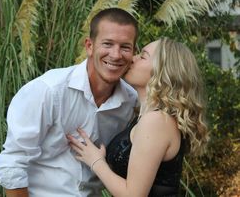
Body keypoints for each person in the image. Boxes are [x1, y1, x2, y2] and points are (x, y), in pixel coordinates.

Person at [0, 8, 139, 197]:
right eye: (108, 44)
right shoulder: (48, 90)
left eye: (125, 47)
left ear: (134, 52)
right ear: (89, 46)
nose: (116, 54)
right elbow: (13, 163)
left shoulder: (131, 101)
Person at [68, 37, 209, 197]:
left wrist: (96, 162)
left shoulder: (156, 121)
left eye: (142, 56)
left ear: (163, 71)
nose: (132, 59)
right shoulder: (147, 117)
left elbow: (134, 194)